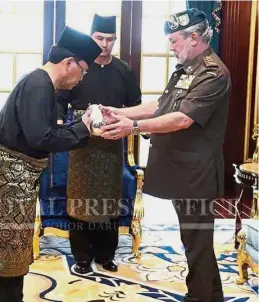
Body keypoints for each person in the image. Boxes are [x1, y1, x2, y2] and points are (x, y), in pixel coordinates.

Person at [100, 8, 231, 302]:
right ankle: (212, 296)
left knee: (196, 242)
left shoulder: (213, 73)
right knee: (195, 242)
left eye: (173, 41)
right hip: (182, 170)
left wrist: (132, 127)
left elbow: (182, 118)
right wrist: (119, 112)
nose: (170, 47)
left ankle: (199, 297)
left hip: (197, 175)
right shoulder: (187, 70)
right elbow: (161, 106)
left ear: (194, 38)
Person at [0, 26, 101, 302]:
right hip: (8, 183)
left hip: (12, 180)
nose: (82, 79)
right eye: (84, 71)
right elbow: (41, 138)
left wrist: (80, 127)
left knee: (10, 258)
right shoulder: (39, 84)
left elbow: (42, 134)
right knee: (5, 259)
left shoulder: (40, 82)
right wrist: (84, 128)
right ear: (69, 64)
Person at [56, 14, 141, 274]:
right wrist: (59, 122)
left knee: (109, 200)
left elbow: (136, 104)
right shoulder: (79, 66)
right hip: (81, 141)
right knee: (81, 199)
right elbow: (60, 95)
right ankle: (82, 257)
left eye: (110, 40)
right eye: (100, 38)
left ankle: (106, 255)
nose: (105, 44)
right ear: (92, 37)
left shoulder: (124, 70)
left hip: (112, 142)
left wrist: (136, 124)